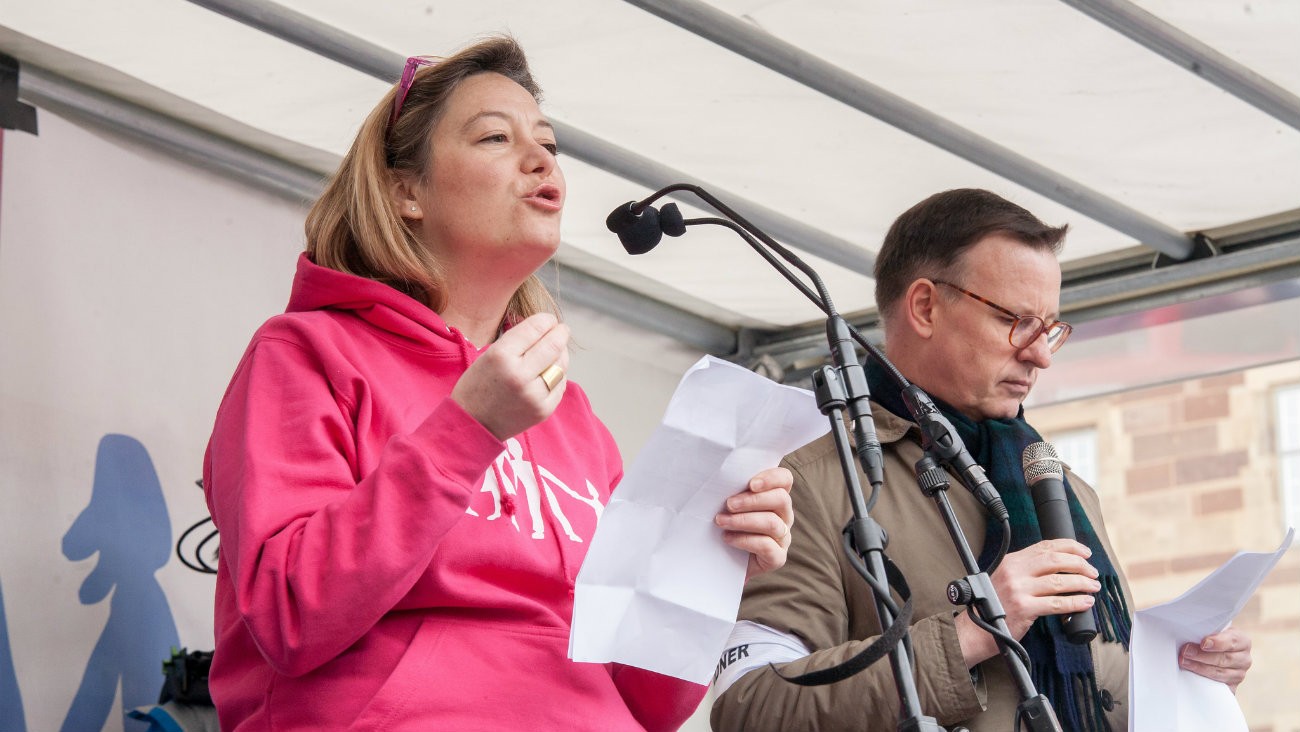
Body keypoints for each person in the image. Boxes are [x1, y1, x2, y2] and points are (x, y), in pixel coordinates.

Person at [202, 36, 794, 732]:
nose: (542, 159)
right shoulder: (304, 353)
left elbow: (651, 701)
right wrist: (466, 432)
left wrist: (711, 562)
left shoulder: (569, 412)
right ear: (405, 192)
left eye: (548, 143)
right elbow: (289, 613)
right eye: (494, 137)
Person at [711, 189, 1253, 731]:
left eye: (1051, 329)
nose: (1040, 355)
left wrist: (1187, 675)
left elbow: (1099, 692)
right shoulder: (808, 479)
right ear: (925, 307)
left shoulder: (1064, 487)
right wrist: (970, 632)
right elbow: (753, 708)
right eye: (1016, 320)